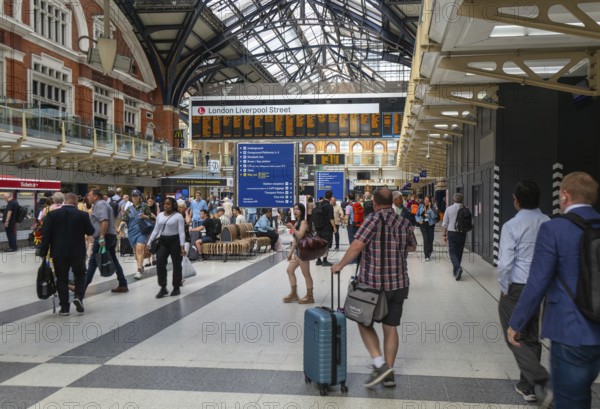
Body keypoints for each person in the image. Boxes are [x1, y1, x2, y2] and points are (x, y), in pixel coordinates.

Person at [508, 172, 600, 409]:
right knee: (581, 395)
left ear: (565, 195)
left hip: (569, 330)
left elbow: (537, 282)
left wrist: (516, 322)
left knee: (569, 401)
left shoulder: (555, 228)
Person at [331, 188, 417, 388]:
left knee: (363, 321)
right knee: (390, 327)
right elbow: (412, 247)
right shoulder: (404, 222)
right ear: (394, 202)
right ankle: (389, 373)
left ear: (376, 203)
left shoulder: (372, 219)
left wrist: (339, 265)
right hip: (399, 283)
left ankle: (379, 364)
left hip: (374, 284)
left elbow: (356, 246)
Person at [496, 181, 551, 404]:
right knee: (531, 334)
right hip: (540, 285)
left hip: (517, 287)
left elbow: (506, 262)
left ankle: (540, 380)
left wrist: (504, 287)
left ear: (516, 200)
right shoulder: (548, 222)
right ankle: (526, 385)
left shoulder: (512, 226)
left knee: (513, 334)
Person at [39, 193, 94, 316]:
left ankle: (64, 308)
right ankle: (78, 297)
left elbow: (46, 236)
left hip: (59, 253)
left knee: (61, 279)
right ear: (75, 203)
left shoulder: (52, 215)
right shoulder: (83, 215)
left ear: (64, 201)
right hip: (77, 252)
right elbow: (91, 231)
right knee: (80, 274)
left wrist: (43, 252)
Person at [84, 189, 129, 294]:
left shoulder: (100, 205)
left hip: (105, 238)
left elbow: (104, 221)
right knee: (114, 260)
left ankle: (81, 287)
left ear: (95, 196)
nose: (88, 197)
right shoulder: (101, 204)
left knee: (93, 261)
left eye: (89, 195)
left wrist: (101, 237)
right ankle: (123, 284)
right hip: (109, 237)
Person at [148, 197, 186, 298]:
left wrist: (182, 246)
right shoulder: (160, 215)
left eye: (168, 204)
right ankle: (163, 287)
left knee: (177, 265)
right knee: (160, 263)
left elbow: (182, 232)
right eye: (164, 204)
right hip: (163, 241)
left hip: (175, 241)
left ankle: (176, 287)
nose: (166, 205)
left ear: (173, 205)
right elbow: (156, 230)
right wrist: (149, 242)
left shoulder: (178, 216)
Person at [119, 190, 155, 280]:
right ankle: (141, 265)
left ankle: (138, 271)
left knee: (139, 249)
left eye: (136, 196)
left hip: (142, 232)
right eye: (133, 196)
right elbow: (124, 219)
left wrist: (144, 216)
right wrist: (119, 227)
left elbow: (151, 217)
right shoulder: (129, 208)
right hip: (132, 232)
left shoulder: (144, 206)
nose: (134, 197)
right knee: (135, 252)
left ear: (139, 197)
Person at [283, 203, 314, 304]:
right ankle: (294, 294)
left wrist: (292, 227)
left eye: (297, 209)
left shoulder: (304, 222)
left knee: (306, 274)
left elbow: (300, 236)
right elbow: (295, 240)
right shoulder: (296, 223)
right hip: (297, 252)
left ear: (302, 211)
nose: (295, 211)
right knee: (289, 270)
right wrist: (290, 253)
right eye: (294, 209)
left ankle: (310, 296)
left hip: (304, 252)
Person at [441, 192, 468, 281]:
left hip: (452, 233)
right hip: (462, 233)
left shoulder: (449, 209)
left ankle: (458, 268)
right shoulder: (466, 209)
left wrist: (444, 235)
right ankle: (455, 271)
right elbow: (471, 222)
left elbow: (444, 224)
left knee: (452, 252)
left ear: (453, 199)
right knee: (459, 252)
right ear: (462, 199)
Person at [315, 190, 336, 267]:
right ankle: (325, 260)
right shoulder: (329, 206)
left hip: (318, 227)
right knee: (326, 243)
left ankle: (318, 260)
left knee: (319, 244)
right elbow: (331, 218)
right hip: (327, 228)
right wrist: (334, 227)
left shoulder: (318, 204)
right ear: (331, 197)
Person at [415, 195, 437, 262]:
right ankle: (426, 255)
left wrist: (430, 211)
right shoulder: (421, 206)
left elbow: (435, 217)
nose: (426, 201)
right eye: (425, 200)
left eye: (428, 200)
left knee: (430, 239)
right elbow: (417, 215)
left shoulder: (433, 207)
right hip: (423, 224)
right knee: (426, 239)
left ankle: (430, 250)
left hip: (431, 225)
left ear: (430, 201)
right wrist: (418, 220)